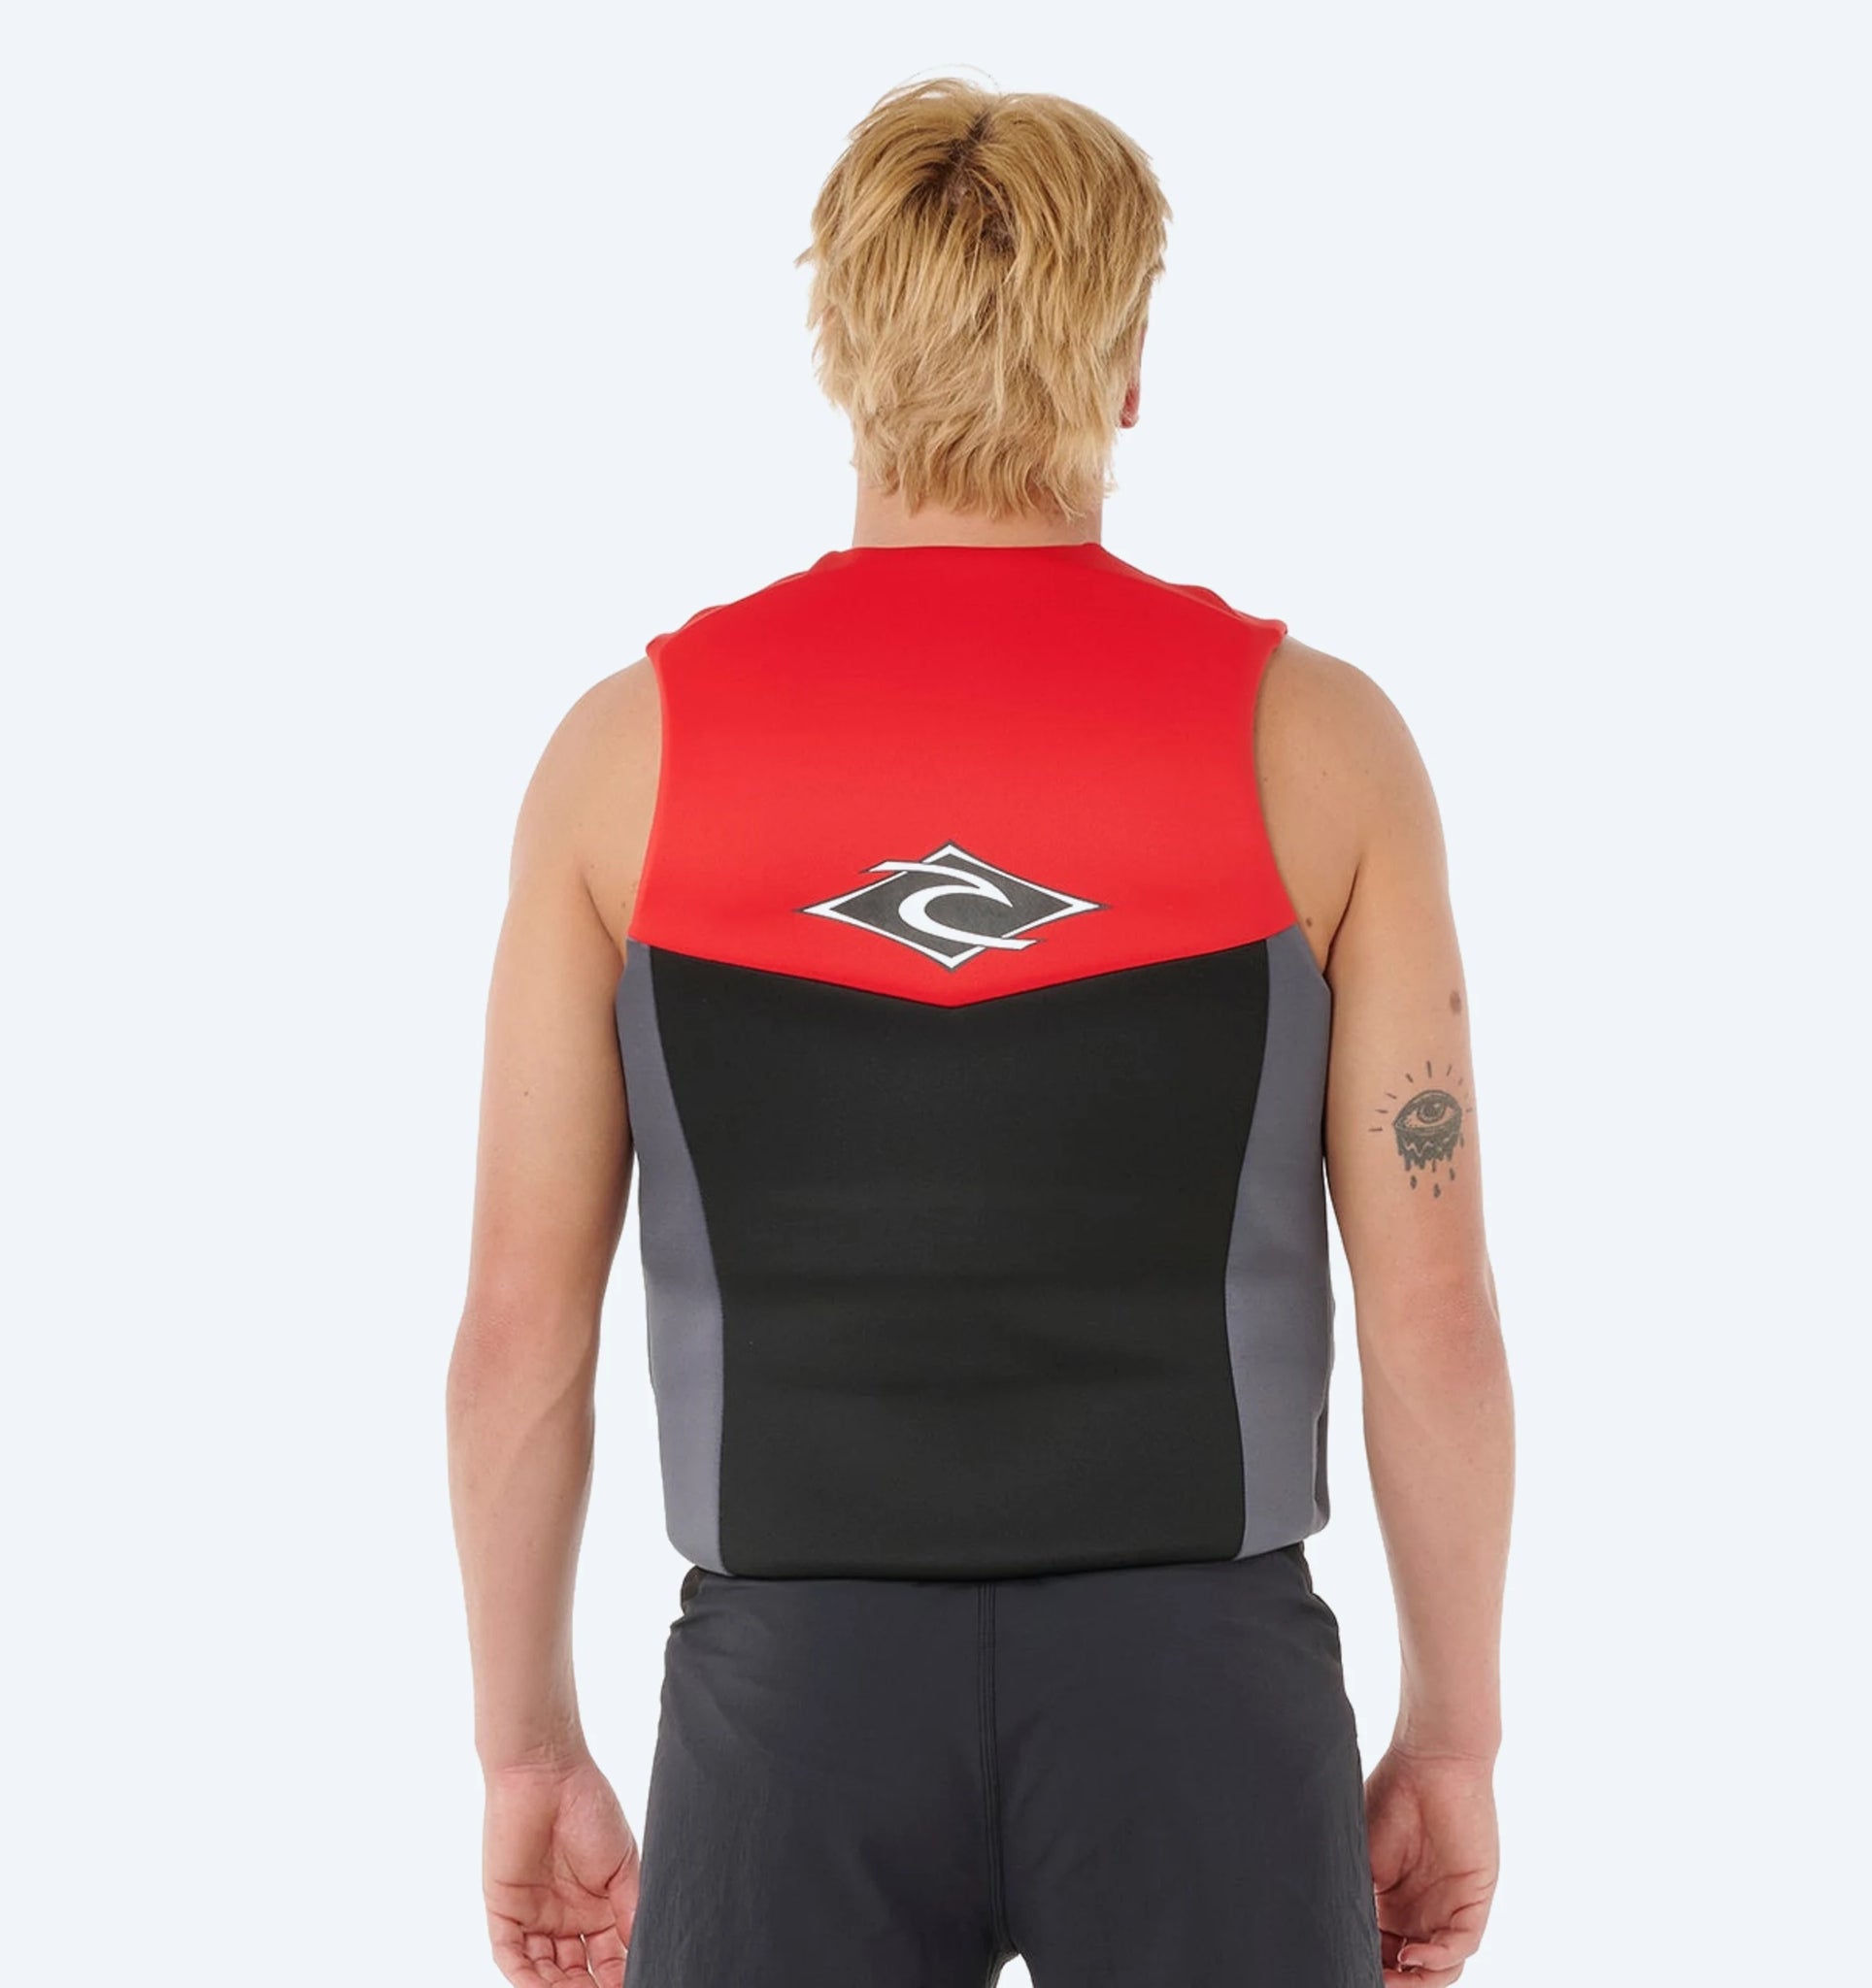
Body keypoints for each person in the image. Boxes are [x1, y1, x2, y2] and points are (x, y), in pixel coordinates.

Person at [446, 75, 1514, 1988]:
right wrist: (1455, 1737)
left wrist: (526, 1750)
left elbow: (520, 1339)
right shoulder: (1321, 750)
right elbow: (1431, 1323)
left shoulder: (627, 763)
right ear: (1125, 368)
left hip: (789, 1705)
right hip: (1203, 1695)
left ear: (841, 352)